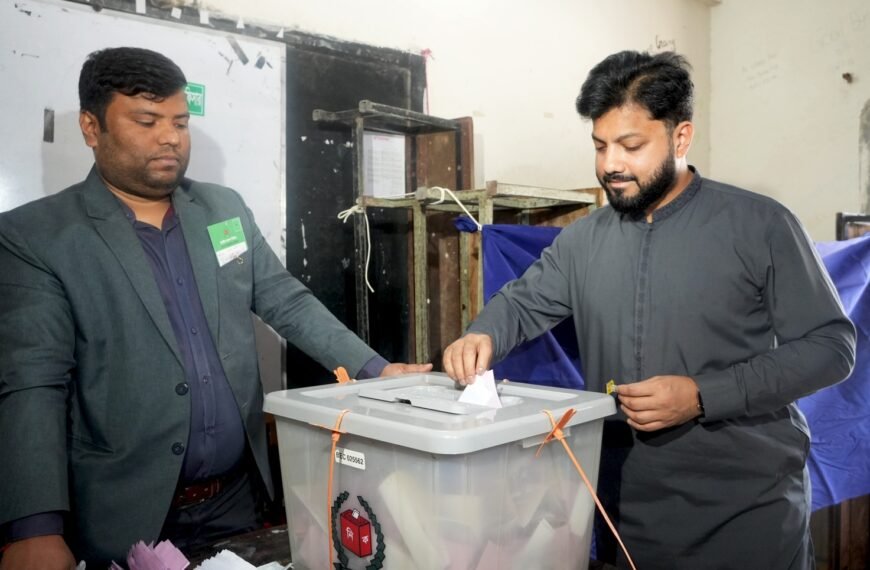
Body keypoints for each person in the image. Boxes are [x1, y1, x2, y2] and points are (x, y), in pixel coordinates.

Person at [0, 47, 430, 569]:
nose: (170, 137)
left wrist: (375, 372)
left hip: (237, 503)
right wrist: (34, 527)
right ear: (92, 128)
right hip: (120, 514)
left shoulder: (223, 210)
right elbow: (32, 382)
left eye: (180, 122)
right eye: (147, 121)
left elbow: (286, 301)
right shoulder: (38, 237)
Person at [443, 50, 856, 569]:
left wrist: (702, 395)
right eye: (600, 146)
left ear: (681, 137)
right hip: (626, 509)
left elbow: (831, 348)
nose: (610, 165)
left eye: (631, 145)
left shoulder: (761, 225)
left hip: (748, 510)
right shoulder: (584, 240)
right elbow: (523, 303)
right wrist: (483, 333)